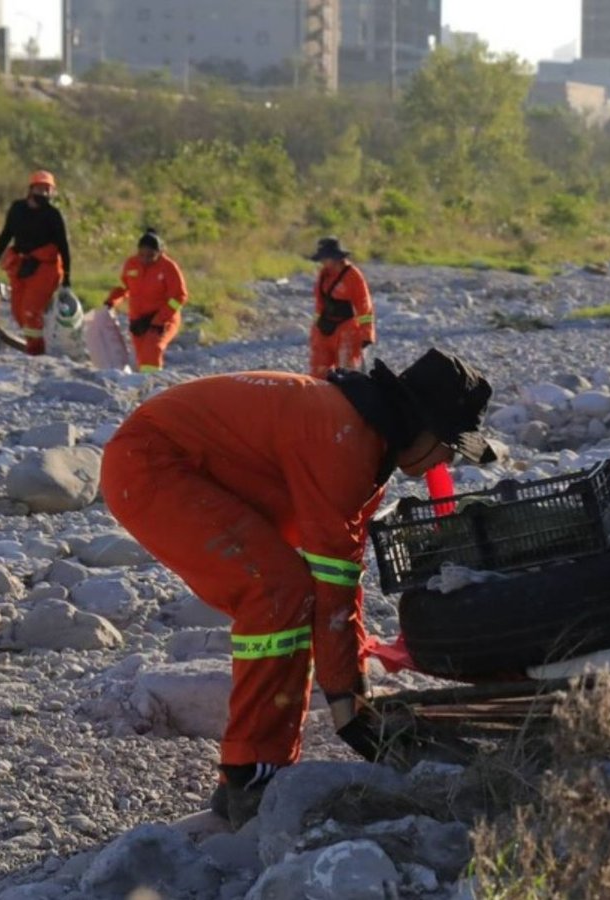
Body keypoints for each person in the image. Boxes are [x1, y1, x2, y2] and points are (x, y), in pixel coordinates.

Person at [100, 349, 501, 827]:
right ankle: (250, 772)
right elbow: (331, 592)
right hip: (151, 465)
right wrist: (348, 709)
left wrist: (351, 694)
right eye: (451, 444)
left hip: (179, 463)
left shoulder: (362, 438)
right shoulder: (344, 441)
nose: (451, 459)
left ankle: (253, 769)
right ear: (421, 425)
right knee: (276, 594)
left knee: (288, 591)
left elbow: (340, 579)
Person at [0, 170, 73, 356]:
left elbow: (64, 246)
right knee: (17, 311)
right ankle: (39, 340)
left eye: (48, 190)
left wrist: (67, 279)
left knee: (31, 311)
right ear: (31, 189)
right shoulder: (17, 209)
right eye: (40, 189)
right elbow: (6, 235)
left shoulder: (53, 215)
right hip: (21, 266)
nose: (44, 194)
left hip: (46, 269)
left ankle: (36, 351)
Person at [104, 230, 188, 373]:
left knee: (152, 349)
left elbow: (179, 296)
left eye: (150, 255)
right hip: (138, 319)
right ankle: (145, 384)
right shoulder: (131, 264)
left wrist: (160, 319)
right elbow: (125, 287)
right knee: (142, 357)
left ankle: (152, 384)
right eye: (142, 254)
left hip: (162, 319)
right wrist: (111, 301)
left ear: (160, 252)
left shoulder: (168, 267)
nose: (145, 259)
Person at [309, 237, 376, 377]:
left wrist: (366, 333)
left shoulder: (352, 275)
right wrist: (315, 329)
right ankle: (321, 397)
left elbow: (364, 305)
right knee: (319, 369)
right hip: (324, 328)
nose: (322, 262)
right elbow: (319, 303)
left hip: (347, 328)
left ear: (335, 257)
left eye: (325, 258)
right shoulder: (324, 274)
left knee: (346, 372)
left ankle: (347, 398)